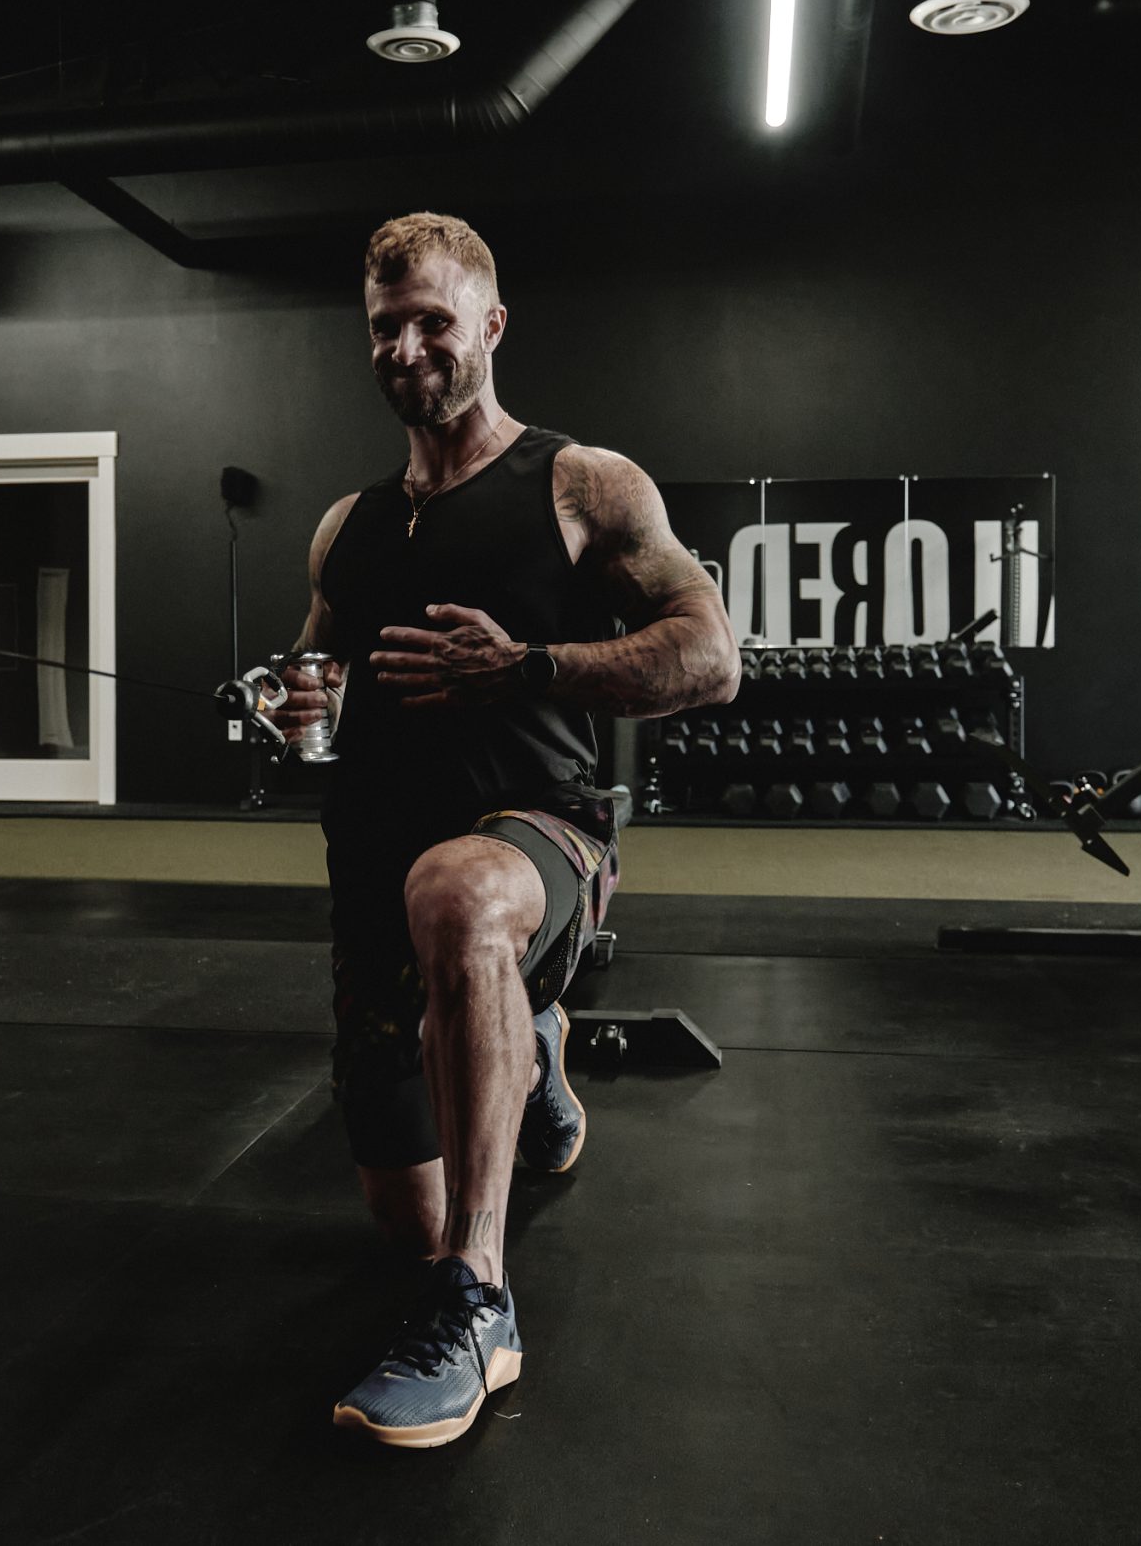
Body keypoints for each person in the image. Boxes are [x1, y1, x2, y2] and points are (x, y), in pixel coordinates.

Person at [273, 212, 739, 1448]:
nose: (411, 345)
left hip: (540, 833)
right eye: (388, 326)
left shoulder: (580, 484)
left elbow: (711, 658)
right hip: (374, 866)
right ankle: (527, 1040)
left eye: (435, 320)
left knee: (459, 896)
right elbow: (313, 682)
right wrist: (292, 700)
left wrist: (528, 667)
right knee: (402, 1221)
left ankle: (478, 1307)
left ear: (490, 325)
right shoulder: (345, 527)